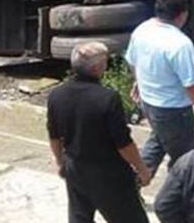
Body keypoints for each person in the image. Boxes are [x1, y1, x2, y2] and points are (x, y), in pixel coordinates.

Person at [48, 40, 152, 223]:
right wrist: (142, 169)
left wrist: (60, 162)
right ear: (97, 68)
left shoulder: (57, 94)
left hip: (75, 167)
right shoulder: (107, 98)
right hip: (108, 172)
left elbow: (54, 136)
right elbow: (123, 144)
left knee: (80, 216)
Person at [125, 0, 194, 177]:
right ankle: (178, 197)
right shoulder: (179, 43)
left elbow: (132, 61)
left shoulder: (143, 29)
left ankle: (134, 182)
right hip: (174, 110)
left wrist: (138, 82)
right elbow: (192, 83)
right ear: (183, 15)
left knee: (158, 142)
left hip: (149, 104)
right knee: (184, 158)